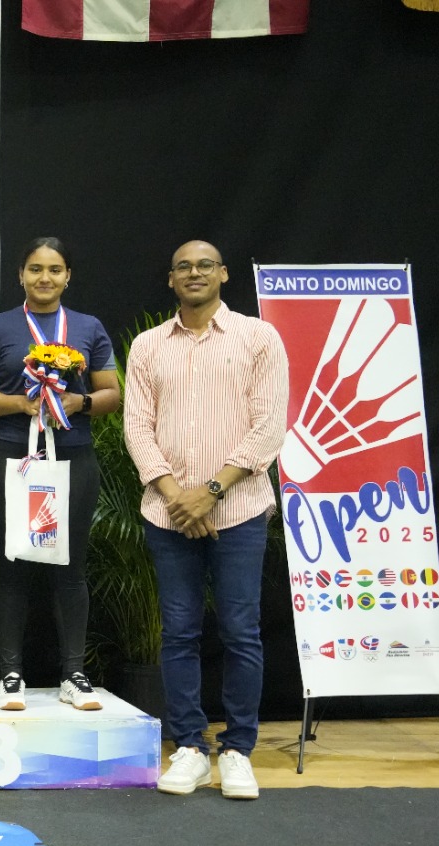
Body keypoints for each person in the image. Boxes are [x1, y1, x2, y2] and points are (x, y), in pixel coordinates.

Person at [124, 240, 288, 800]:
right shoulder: (148, 347)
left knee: (241, 632)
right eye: (183, 267)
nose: (194, 273)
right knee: (180, 633)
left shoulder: (259, 338)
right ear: (171, 280)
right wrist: (179, 498)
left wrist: (211, 493)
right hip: (168, 514)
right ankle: (190, 747)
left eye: (204, 265)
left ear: (223, 274)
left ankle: (239, 751)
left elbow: (268, 427)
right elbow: (137, 430)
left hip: (238, 510)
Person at [0, 238, 120, 712]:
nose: (44, 278)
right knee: (12, 562)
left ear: (68, 276)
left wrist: (79, 402)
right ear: (21, 275)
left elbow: (112, 391)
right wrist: (22, 403)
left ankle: (73, 673)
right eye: (35, 269)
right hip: (11, 457)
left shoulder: (88, 328)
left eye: (54, 270)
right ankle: (10, 673)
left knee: (70, 567)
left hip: (73, 456)